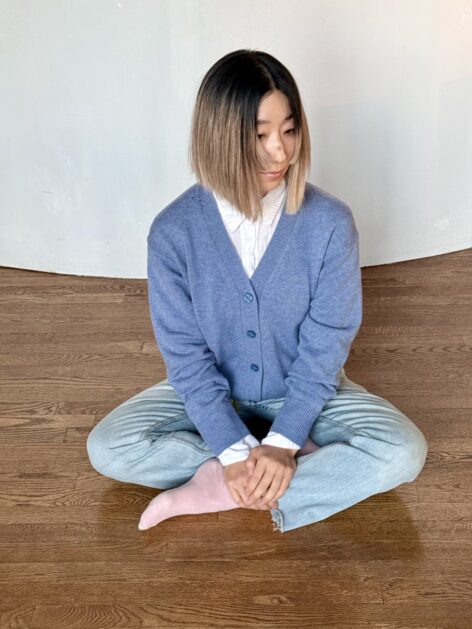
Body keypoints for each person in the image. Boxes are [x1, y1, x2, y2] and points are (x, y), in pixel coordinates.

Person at [86, 49, 428, 534]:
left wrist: (286, 435)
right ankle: (285, 470)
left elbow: (328, 339)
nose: (281, 152)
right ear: (219, 138)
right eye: (260, 135)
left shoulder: (329, 222)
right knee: (109, 447)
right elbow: (185, 356)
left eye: (289, 131)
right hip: (213, 394)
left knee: (404, 452)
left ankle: (223, 487)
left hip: (308, 389)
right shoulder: (173, 232)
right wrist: (233, 446)